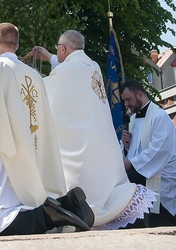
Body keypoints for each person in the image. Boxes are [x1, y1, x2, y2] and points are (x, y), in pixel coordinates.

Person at [0, 23, 93, 239]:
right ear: (16, 46)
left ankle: (47, 215)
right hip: (31, 153)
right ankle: (62, 205)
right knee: (23, 199)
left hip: (0, 155)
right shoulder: (33, 75)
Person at [35, 31, 156, 228]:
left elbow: (47, 91)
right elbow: (70, 71)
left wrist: (31, 76)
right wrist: (49, 57)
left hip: (79, 141)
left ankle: (82, 211)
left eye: (58, 47)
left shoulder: (66, 71)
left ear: (63, 48)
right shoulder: (92, 67)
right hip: (99, 141)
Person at [121, 80, 176, 227]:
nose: (126, 104)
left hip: (159, 174)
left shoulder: (159, 116)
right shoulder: (133, 118)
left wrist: (129, 164)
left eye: (128, 99)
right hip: (143, 170)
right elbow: (137, 150)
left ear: (140, 94)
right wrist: (127, 147)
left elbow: (159, 150)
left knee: (123, 180)